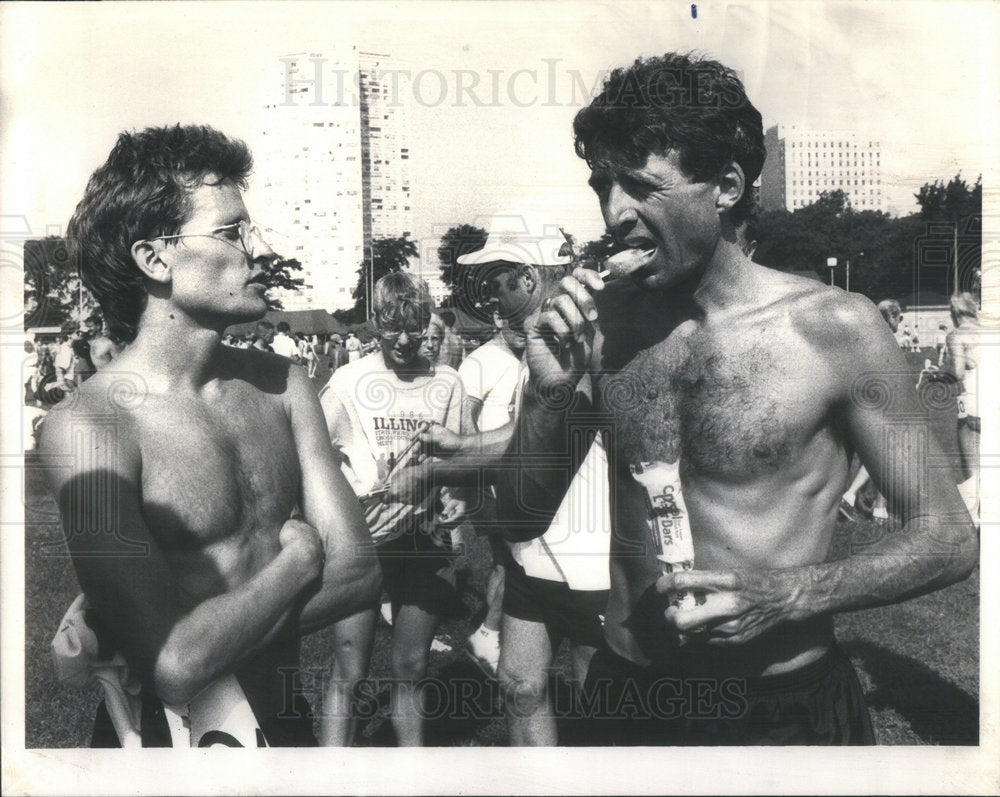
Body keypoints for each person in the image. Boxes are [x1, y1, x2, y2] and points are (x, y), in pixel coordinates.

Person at [512, 53, 977, 745]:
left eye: (641, 187)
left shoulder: (836, 328)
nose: (614, 213)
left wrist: (787, 594)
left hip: (782, 709)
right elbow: (520, 513)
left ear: (726, 186)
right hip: (628, 694)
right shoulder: (601, 326)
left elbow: (948, 537)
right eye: (603, 186)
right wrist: (546, 392)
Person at [41, 124, 380, 747]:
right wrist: (298, 562)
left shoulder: (282, 384)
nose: (261, 250)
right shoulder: (88, 425)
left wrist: (208, 636)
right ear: (155, 259)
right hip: (162, 744)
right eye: (232, 233)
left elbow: (359, 570)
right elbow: (173, 665)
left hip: (284, 721)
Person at [389, 212, 612, 745]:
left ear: (528, 278)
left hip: (592, 556)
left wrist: (438, 469)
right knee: (518, 685)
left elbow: (559, 438)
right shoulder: (541, 340)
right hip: (534, 554)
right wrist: (459, 445)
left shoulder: (585, 337)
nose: (490, 297)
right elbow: (527, 433)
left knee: (600, 701)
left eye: (497, 283)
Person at [319, 271, 471, 746]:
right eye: (391, 328)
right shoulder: (348, 382)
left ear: (428, 322)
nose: (404, 340)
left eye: (414, 327)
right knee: (350, 669)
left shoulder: (447, 383)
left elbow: (464, 457)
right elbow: (313, 460)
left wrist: (458, 497)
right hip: (361, 541)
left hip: (424, 540)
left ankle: (411, 772)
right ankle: (330, 774)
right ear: (374, 322)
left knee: (412, 666)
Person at [942, 292, 980, 526]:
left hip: (974, 401)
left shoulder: (957, 335)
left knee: (972, 465)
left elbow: (956, 372)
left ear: (955, 312)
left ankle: (973, 519)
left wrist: (937, 374)